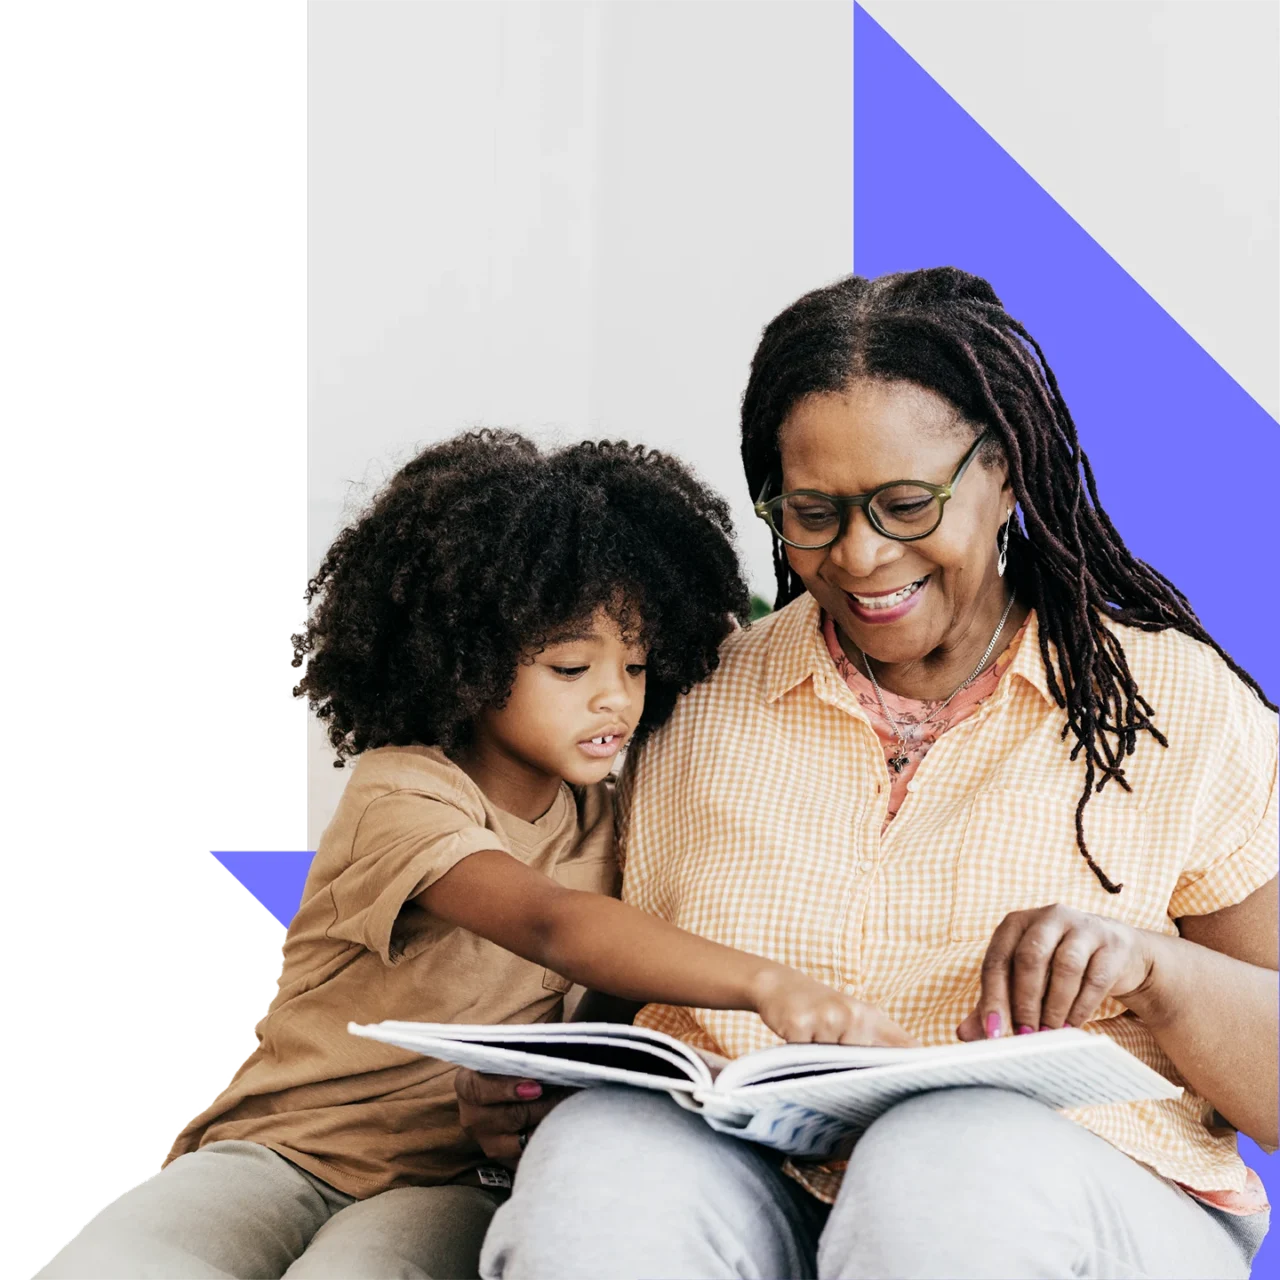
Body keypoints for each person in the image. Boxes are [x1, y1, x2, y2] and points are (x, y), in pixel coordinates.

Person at [471, 269, 1279, 1280]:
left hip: (1079, 1189)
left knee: (938, 1166)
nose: (858, 555)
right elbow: (592, 971)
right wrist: (521, 1092)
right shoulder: (688, 695)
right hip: (749, 1169)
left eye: (905, 504)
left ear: (1007, 475)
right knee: (597, 1168)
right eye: (812, 511)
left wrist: (1151, 970)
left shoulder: (1173, 708)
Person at [39, 431, 917, 1280]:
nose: (615, 696)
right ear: (463, 659)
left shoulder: (619, 818)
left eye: (640, 666)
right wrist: (769, 986)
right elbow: (549, 920)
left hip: (454, 1179)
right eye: (571, 669)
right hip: (282, 1152)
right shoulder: (404, 793)